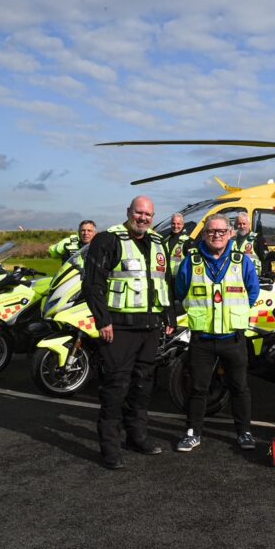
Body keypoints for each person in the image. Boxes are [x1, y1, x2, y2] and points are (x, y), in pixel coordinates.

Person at [83, 197, 174, 470]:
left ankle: (138, 436)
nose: (143, 218)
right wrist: (103, 320)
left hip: (150, 328)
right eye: (139, 212)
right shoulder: (108, 240)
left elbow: (165, 281)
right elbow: (92, 283)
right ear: (128, 213)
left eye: (148, 214)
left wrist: (168, 315)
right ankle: (110, 447)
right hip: (119, 328)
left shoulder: (159, 243)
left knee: (143, 385)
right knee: (116, 387)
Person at [174, 215, 261, 451]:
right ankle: (193, 432)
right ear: (203, 235)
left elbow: (252, 293)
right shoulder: (190, 261)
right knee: (197, 387)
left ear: (230, 234)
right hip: (202, 338)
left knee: (240, 387)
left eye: (222, 231)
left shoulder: (242, 261)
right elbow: (182, 292)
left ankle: (244, 432)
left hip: (233, 338)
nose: (216, 235)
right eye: (211, 231)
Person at [232, 213, 269, 277]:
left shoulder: (257, 238)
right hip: (234, 276)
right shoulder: (231, 239)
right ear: (235, 225)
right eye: (239, 224)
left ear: (249, 225)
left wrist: (265, 274)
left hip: (252, 276)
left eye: (244, 224)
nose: (242, 226)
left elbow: (265, 260)